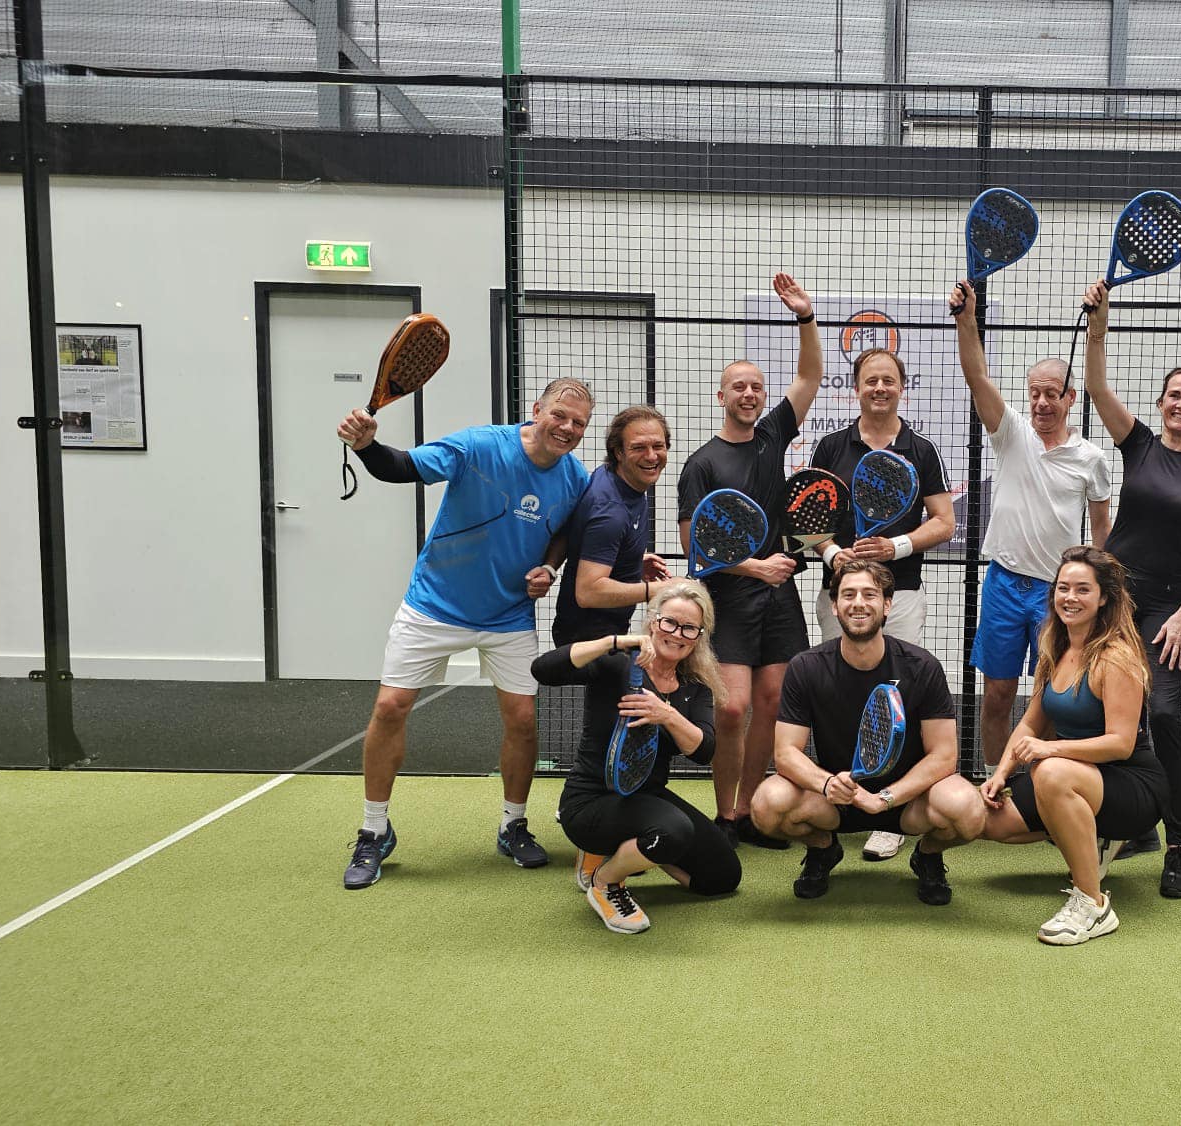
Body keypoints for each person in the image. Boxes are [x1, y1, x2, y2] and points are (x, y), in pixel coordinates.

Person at [334, 376, 594, 890]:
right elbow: (402, 467)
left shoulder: (575, 478)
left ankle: (512, 824)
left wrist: (548, 567)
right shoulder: (478, 445)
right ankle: (373, 830)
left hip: (508, 616)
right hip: (434, 604)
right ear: (536, 409)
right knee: (390, 708)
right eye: (559, 415)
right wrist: (365, 447)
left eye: (578, 423)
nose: (566, 428)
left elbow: (563, 532)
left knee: (522, 719)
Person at [1078, 279, 1181, 898]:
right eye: (1174, 394)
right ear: (1162, 400)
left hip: (1170, 602)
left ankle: (1176, 842)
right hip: (1114, 594)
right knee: (1100, 710)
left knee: (1164, 713)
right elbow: (1095, 385)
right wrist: (1100, 319)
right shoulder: (1139, 444)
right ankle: (1125, 821)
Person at [677, 273, 824, 852]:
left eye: (756, 387)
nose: (749, 394)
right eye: (738, 386)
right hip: (729, 600)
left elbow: (811, 375)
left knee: (771, 704)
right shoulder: (701, 464)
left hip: (780, 598)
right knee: (732, 708)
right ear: (722, 396)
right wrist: (754, 568)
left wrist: (805, 317)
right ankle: (725, 814)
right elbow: (694, 545)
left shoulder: (771, 439)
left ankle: (751, 810)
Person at [948, 280, 1113, 779]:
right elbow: (976, 376)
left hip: (1054, 595)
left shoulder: (1090, 458)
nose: (1041, 402)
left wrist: (1096, 586)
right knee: (997, 693)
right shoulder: (1011, 433)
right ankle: (995, 778)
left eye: (1051, 394)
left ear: (1069, 398)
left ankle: (1043, 786)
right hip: (1002, 583)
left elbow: (1102, 528)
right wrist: (966, 319)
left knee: (1055, 698)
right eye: (1034, 393)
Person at [749, 560, 985, 905]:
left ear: (887, 604)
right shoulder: (806, 667)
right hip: (835, 801)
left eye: (869, 594)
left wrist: (886, 796)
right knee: (767, 805)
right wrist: (829, 785)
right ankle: (823, 850)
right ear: (835, 605)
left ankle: (929, 856)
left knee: (968, 810)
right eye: (848, 594)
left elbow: (944, 756)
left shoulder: (923, 667)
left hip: (907, 802)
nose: (858, 602)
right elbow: (786, 753)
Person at [808, 343, 956, 862]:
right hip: (841, 593)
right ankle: (837, 798)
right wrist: (832, 555)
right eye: (870, 380)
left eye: (888, 380)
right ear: (856, 388)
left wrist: (894, 547)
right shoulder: (830, 448)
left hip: (903, 593)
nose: (879, 388)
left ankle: (890, 816)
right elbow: (810, 520)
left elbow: (944, 521)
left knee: (897, 698)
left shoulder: (920, 450)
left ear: (901, 387)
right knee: (837, 693)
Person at [978, 546, 1166, 946]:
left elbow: (1120, 743)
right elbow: (1031, 721)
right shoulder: (1055, 646)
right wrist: (1000, 773)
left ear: (1103, 598)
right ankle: (1093, 838)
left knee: (1050, 772)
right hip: (1076, 778)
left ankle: (1093, 905)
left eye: (1083, 589)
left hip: (1131, 784)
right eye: (1063, 588)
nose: (1070, 597)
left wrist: (1052, 751)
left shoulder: (1116, 657)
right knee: (990, 824)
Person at [534, 581, 738, 934]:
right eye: (669, 622)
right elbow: (544, 670)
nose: (677, 634)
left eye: (689, 628)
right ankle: (606, 881)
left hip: (645, 798)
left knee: (722, 876)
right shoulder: (618, 663)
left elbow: (704, 750)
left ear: (699, 636)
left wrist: (667, 714)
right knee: (672, 831)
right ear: (653, 621)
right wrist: (612, 642)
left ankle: (632, 849)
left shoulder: (695, 686)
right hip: (590, 801)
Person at [552, 406, 676, 646]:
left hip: (603, 631)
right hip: (588, 640)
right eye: (639, 447)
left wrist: (629, 561)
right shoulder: (611, 511)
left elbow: (590, 542)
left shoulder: (615, 477)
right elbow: (589, 592)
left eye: (658, 446)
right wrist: (659, 589)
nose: (651, 456)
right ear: (618, 452)